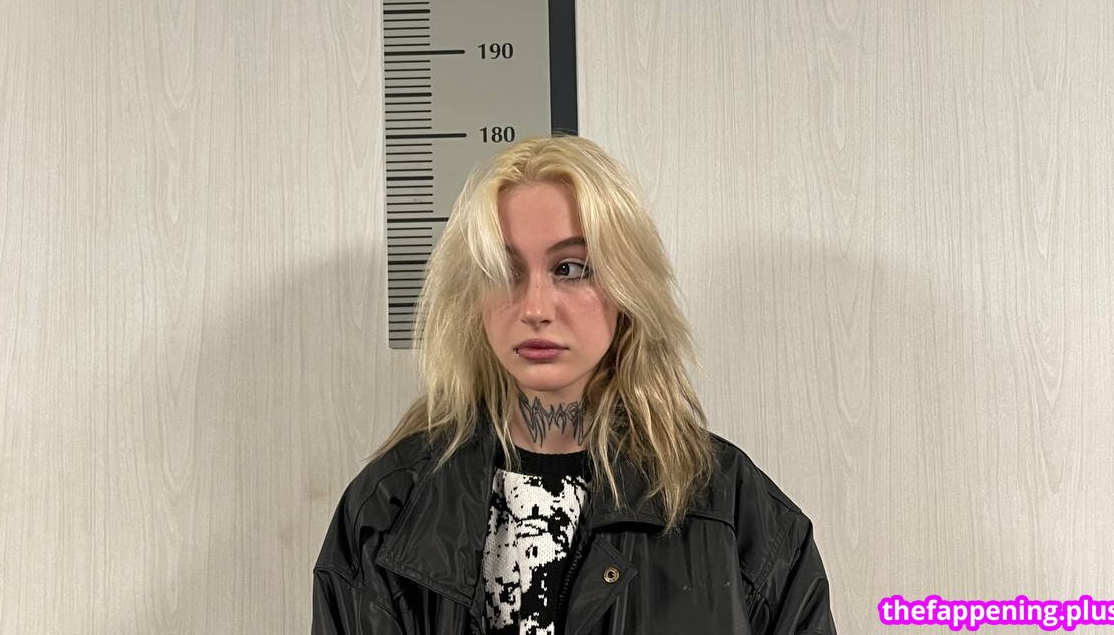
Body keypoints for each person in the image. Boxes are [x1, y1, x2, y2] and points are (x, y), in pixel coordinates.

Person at [312, 134, 836, 634]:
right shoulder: (386, 514)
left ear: (627, 286)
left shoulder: (736, 514)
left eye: (570, 268)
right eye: (503, 271)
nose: (535, 308)